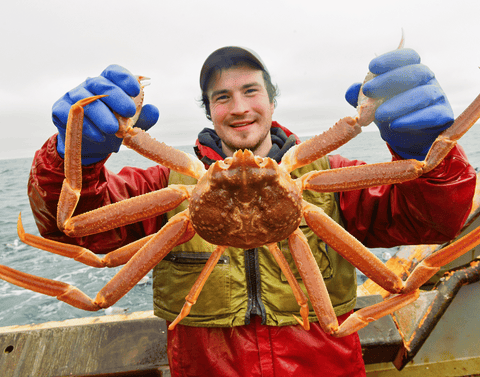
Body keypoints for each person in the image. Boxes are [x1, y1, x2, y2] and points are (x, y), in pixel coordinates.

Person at [27, 46, 476, 376]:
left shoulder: (328, 178)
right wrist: (75, 162)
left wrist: (430, 157)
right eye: (222, 97)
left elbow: (431, 218)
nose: (239, 108)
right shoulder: (169, 185)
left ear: (271, 100)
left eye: (250, 91)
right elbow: (78, 232)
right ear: (209, 111)